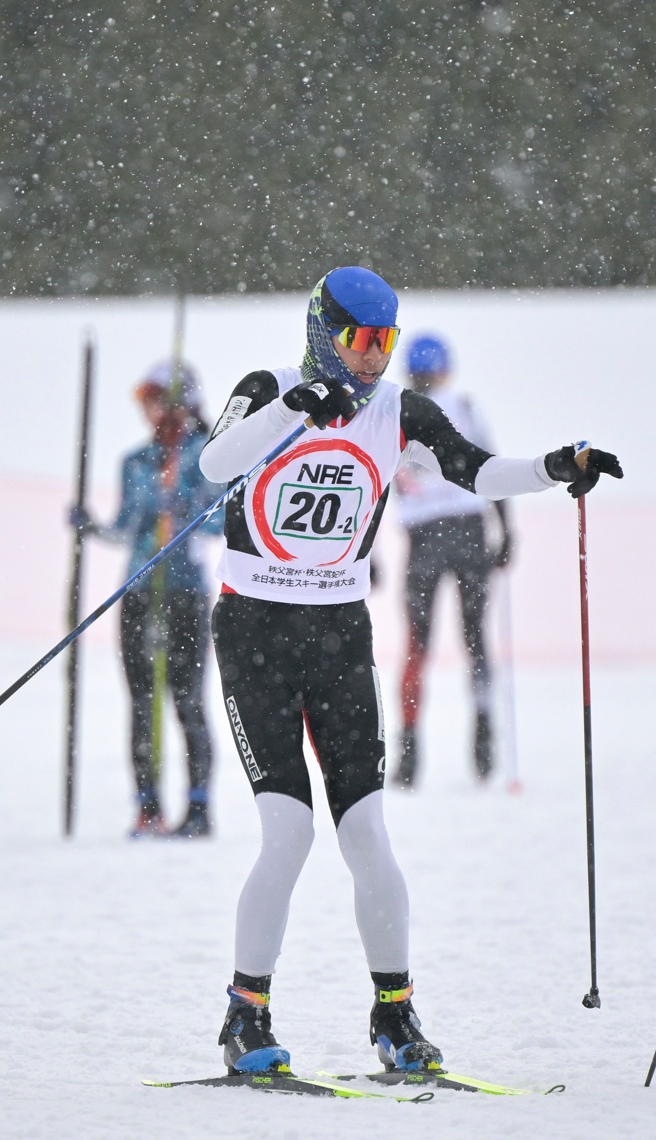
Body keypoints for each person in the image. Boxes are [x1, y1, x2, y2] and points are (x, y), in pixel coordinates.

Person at [194, 267, 621, 1075]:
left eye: (385, 341)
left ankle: (395, 1012)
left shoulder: (397, 410)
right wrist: (293, 408)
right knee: (289, 831)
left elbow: (476, 470)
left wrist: (554, 467)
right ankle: (246, 1016)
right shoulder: (268, 388)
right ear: (324, 333)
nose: (373, 356)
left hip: (339, 632)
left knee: (366, 830)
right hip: (256, 630)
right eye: (359, 340)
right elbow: (215, 466)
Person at [69, 361, 222, 837]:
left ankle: (198, 808)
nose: (150, 410)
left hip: (185, 592)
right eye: (146, 401)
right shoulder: (135, 462)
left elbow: (220, 522)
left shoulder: (207, 456)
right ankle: (146, 805)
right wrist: (91, 527)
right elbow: (126, 528)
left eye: (157, 399)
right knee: (141, 701)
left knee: (187, 699)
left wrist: (187, 506)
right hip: (138, 591)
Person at [390, 332, 512, 788]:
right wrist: (506, 529)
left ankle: (408, 751)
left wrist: (368, 553)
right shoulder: (463, 406)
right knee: (475, 639)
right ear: (445, 369)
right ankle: (484, 734)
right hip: (467, 529)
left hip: (423, 536)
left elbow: (374, 481)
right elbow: (491, 466)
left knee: (417, 645)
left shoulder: (394, 409)